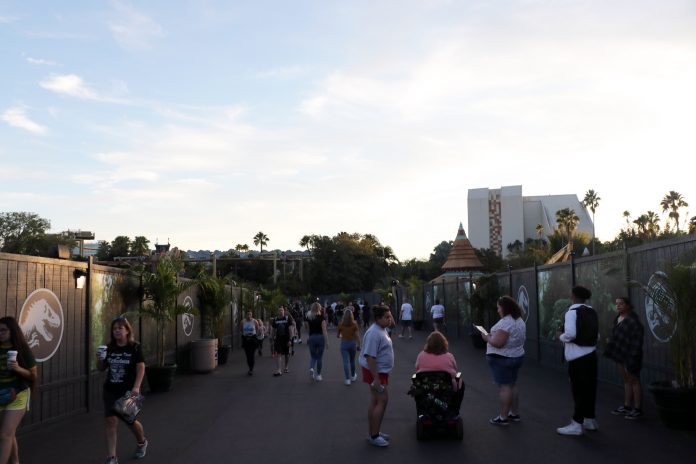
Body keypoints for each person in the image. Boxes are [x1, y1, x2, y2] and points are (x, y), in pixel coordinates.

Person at [99, 316, 148, 463]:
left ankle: (142, 442)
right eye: (114, 328)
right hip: (110, 390)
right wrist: (100, 359)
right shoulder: (109, 348)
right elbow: (101, 368)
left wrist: (136, 387)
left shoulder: (134, 347)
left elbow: (141, 367)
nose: (117, 331)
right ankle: (112, 457)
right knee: (111, 421)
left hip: (128, 391)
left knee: (130, 421)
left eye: (120, 328)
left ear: (127, 330)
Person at [557, 285, 599, 436]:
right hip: (591, 356)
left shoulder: (572, 312)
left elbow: (570, 334)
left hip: (577, 358)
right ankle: (590, 420)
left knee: (578, 391)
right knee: (589, 389)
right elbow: (597, 335)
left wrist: (560, 336)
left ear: (573, 296)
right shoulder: (592, 311)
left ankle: (576, 424)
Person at [480, 296, 526, 426]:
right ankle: (514, 414)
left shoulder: (506, 323)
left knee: (505, 387)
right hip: (516, 356)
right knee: (512, 385)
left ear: (505, 308)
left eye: (499, 308)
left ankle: (503, 417)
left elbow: (498, 343)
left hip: (503, 359)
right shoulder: (519, 320)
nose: (498, 310)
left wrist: (486, 337)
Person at [0, 316, 37, 464]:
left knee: (5, 434)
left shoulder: (22, 350)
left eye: (3, 330)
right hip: (1, 395)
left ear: (12, 331)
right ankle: (15, 461)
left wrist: (17, 368)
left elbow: (33, 375)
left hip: (18, 394)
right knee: (8, 433)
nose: (0, 333)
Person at [359, 305, 394, 447]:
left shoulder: (381, 329)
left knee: (375, 401)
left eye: (390, 316)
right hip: (375, 372)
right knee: (382, 400)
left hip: (379, 371)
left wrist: (388, 316)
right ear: (378, 318)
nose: (389, 319)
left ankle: (373, 432)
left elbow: (392, 325)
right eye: (386, 317)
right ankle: (374, 435)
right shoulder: (374, 333)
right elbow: (370, 357)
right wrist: (376, 379)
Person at [604, 297, 644, 419]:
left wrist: (633, 354)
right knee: (626, 380)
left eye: (621, 303)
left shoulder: (633, 320)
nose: (618, 306)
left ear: (628, 305)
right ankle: (627, 406)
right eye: (616, 304)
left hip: (631, 354)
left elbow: (637, 339)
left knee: (634, 380)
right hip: (620, 353)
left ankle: (637, 409)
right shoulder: (617, 318)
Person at [415, 331, 464, 408]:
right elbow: (455, 368)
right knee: (460, 381)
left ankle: (421, 407)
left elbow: (417, 367)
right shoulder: (449, 356)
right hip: (446, 387)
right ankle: (454, 407)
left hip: (426, 387)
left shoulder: (421, 355)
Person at [305, 302, 328, 381]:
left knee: (313, 356)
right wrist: (327, 341)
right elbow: (324, 331)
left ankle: (311, 368)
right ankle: (318, 375)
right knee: (319, 357)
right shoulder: (322, 317)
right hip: (320, 338)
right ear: (319, 308)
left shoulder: (309, 317)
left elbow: (307, 329)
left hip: (312, 337)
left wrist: (310, 336)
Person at [337, 309, 361, 386]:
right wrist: (359, 345)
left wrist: (343, 335)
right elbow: (357, 336)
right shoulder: (354, 324)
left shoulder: (341, 324)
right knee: (352, 361)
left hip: (344, 344)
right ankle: (353, 376)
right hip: (352, 343)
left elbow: (338, 335)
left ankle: (347, 379)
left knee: (345, 362)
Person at [271, 307, 293, 376]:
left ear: (284, 311)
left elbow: (290, 329)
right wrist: (272, 338)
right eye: (279, 310)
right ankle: (279, 370)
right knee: (279, 354)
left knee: (287, 354)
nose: (281, 311)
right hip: (278, 339)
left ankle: (286, 367)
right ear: (278, 312)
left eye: (282, 310)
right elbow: (273, 330)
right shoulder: (275, 320)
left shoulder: (287, 318)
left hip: (286, 339)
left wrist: (290, 339)